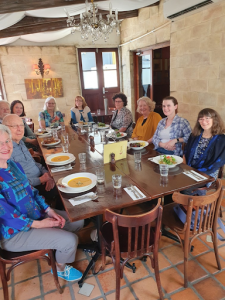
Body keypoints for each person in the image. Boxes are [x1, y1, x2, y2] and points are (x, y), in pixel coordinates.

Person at [0, 124, 84, 281]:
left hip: (36, 215)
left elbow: (33, 192)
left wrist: (49, 211)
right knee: (71, 241)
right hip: (14, 233)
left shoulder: (14, 165)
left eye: (7, 141)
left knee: (78, 220)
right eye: (0, 143)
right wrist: (43, 224)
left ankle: (51, 243)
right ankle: (60, 268)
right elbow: (9, 217)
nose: (5, 146)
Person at [2, 114, 59, 205]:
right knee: (62, 187)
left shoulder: (20, 142)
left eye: (21, 125)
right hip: (31, 187)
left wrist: (46, 173)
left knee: (60, 172)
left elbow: (34, 163)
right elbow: (16, 182)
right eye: (14, 126)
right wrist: (40, 179)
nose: (19, 129)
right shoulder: (6, 151)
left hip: (41, 178)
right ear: (5, 128)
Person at [183, 108, 225, 194]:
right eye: (201, 119)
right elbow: (186, 152)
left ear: (214, 120)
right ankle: (176, 204)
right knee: (172, 181)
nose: (204, 121)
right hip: (190, 169)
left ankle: (192, 205)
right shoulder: (194, 135)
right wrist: (185, 168)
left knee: (185, 188)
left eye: (207, 118)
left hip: (208, 173)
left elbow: (217, 163)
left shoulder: (222, 139)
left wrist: (198, 174)